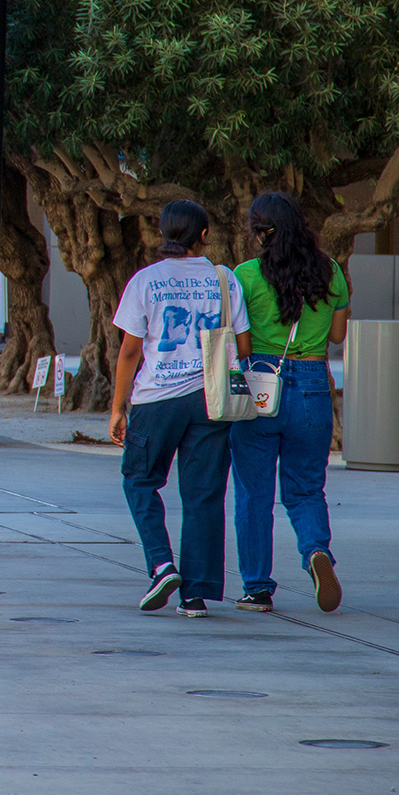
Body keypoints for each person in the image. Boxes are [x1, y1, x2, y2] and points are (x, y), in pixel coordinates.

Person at [109, 199, 251, 618]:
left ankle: (161, 564)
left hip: (157, 399)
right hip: (211, 398)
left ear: (163, 232)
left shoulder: (145, 281)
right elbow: (242, 346)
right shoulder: (224, 281)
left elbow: (130, 351)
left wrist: (119, 407)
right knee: (204, 493)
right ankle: (195, 594)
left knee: (139, 479)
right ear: (203, 235)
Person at [229, 192, 348, 613]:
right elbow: (337, 337)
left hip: (262, 383)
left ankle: (257, 588)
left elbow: (238, 340)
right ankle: (317, 552)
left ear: (261, 232)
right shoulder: (331, 271)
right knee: (306, 488)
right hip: (314, 385)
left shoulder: (243, 275)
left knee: (253, 493)